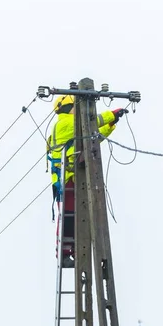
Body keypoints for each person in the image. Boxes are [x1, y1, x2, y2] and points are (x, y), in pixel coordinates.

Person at [47, 95, 127, 268]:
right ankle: (63, 253)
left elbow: (94, 137)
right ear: (69, 108)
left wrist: (111, 125)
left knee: (79, 217)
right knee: (69, 218)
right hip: (66, 179)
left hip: (74, 178)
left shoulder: (75, 127)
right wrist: (112, 115)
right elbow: (92, 122)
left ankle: (76, 251)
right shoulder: (65, 124)